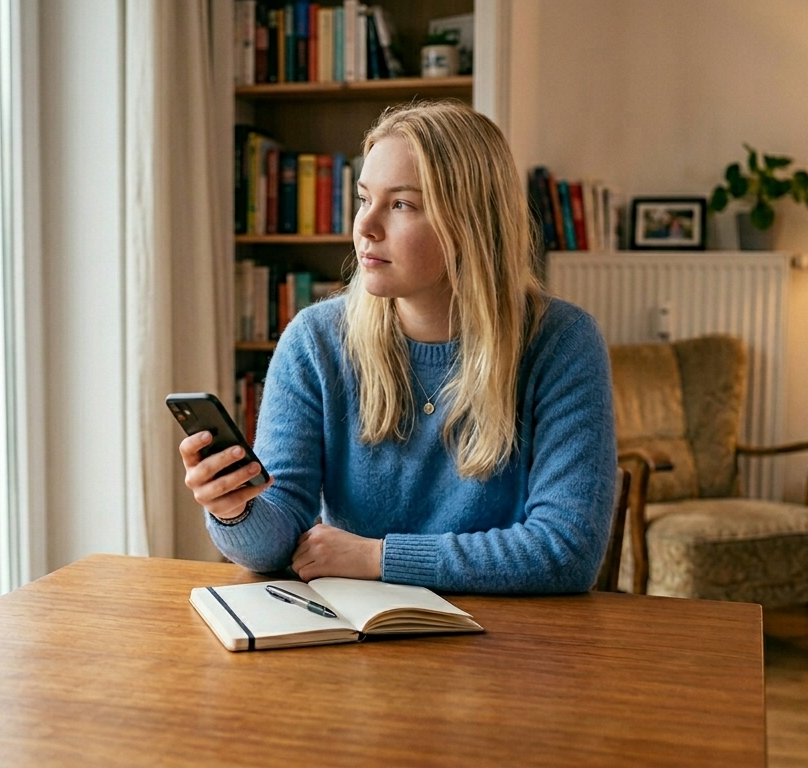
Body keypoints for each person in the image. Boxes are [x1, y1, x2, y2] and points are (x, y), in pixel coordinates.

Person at [180, 101, 616, 594]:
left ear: (471, 223)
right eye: (365, 199)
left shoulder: (561, 342)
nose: (366, 226)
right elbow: (274, 548)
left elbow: (565, 551)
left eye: (402, 204)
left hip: (507, 646)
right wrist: (235, 510)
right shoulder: (315, 340)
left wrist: (376, 556)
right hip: (358, 635)